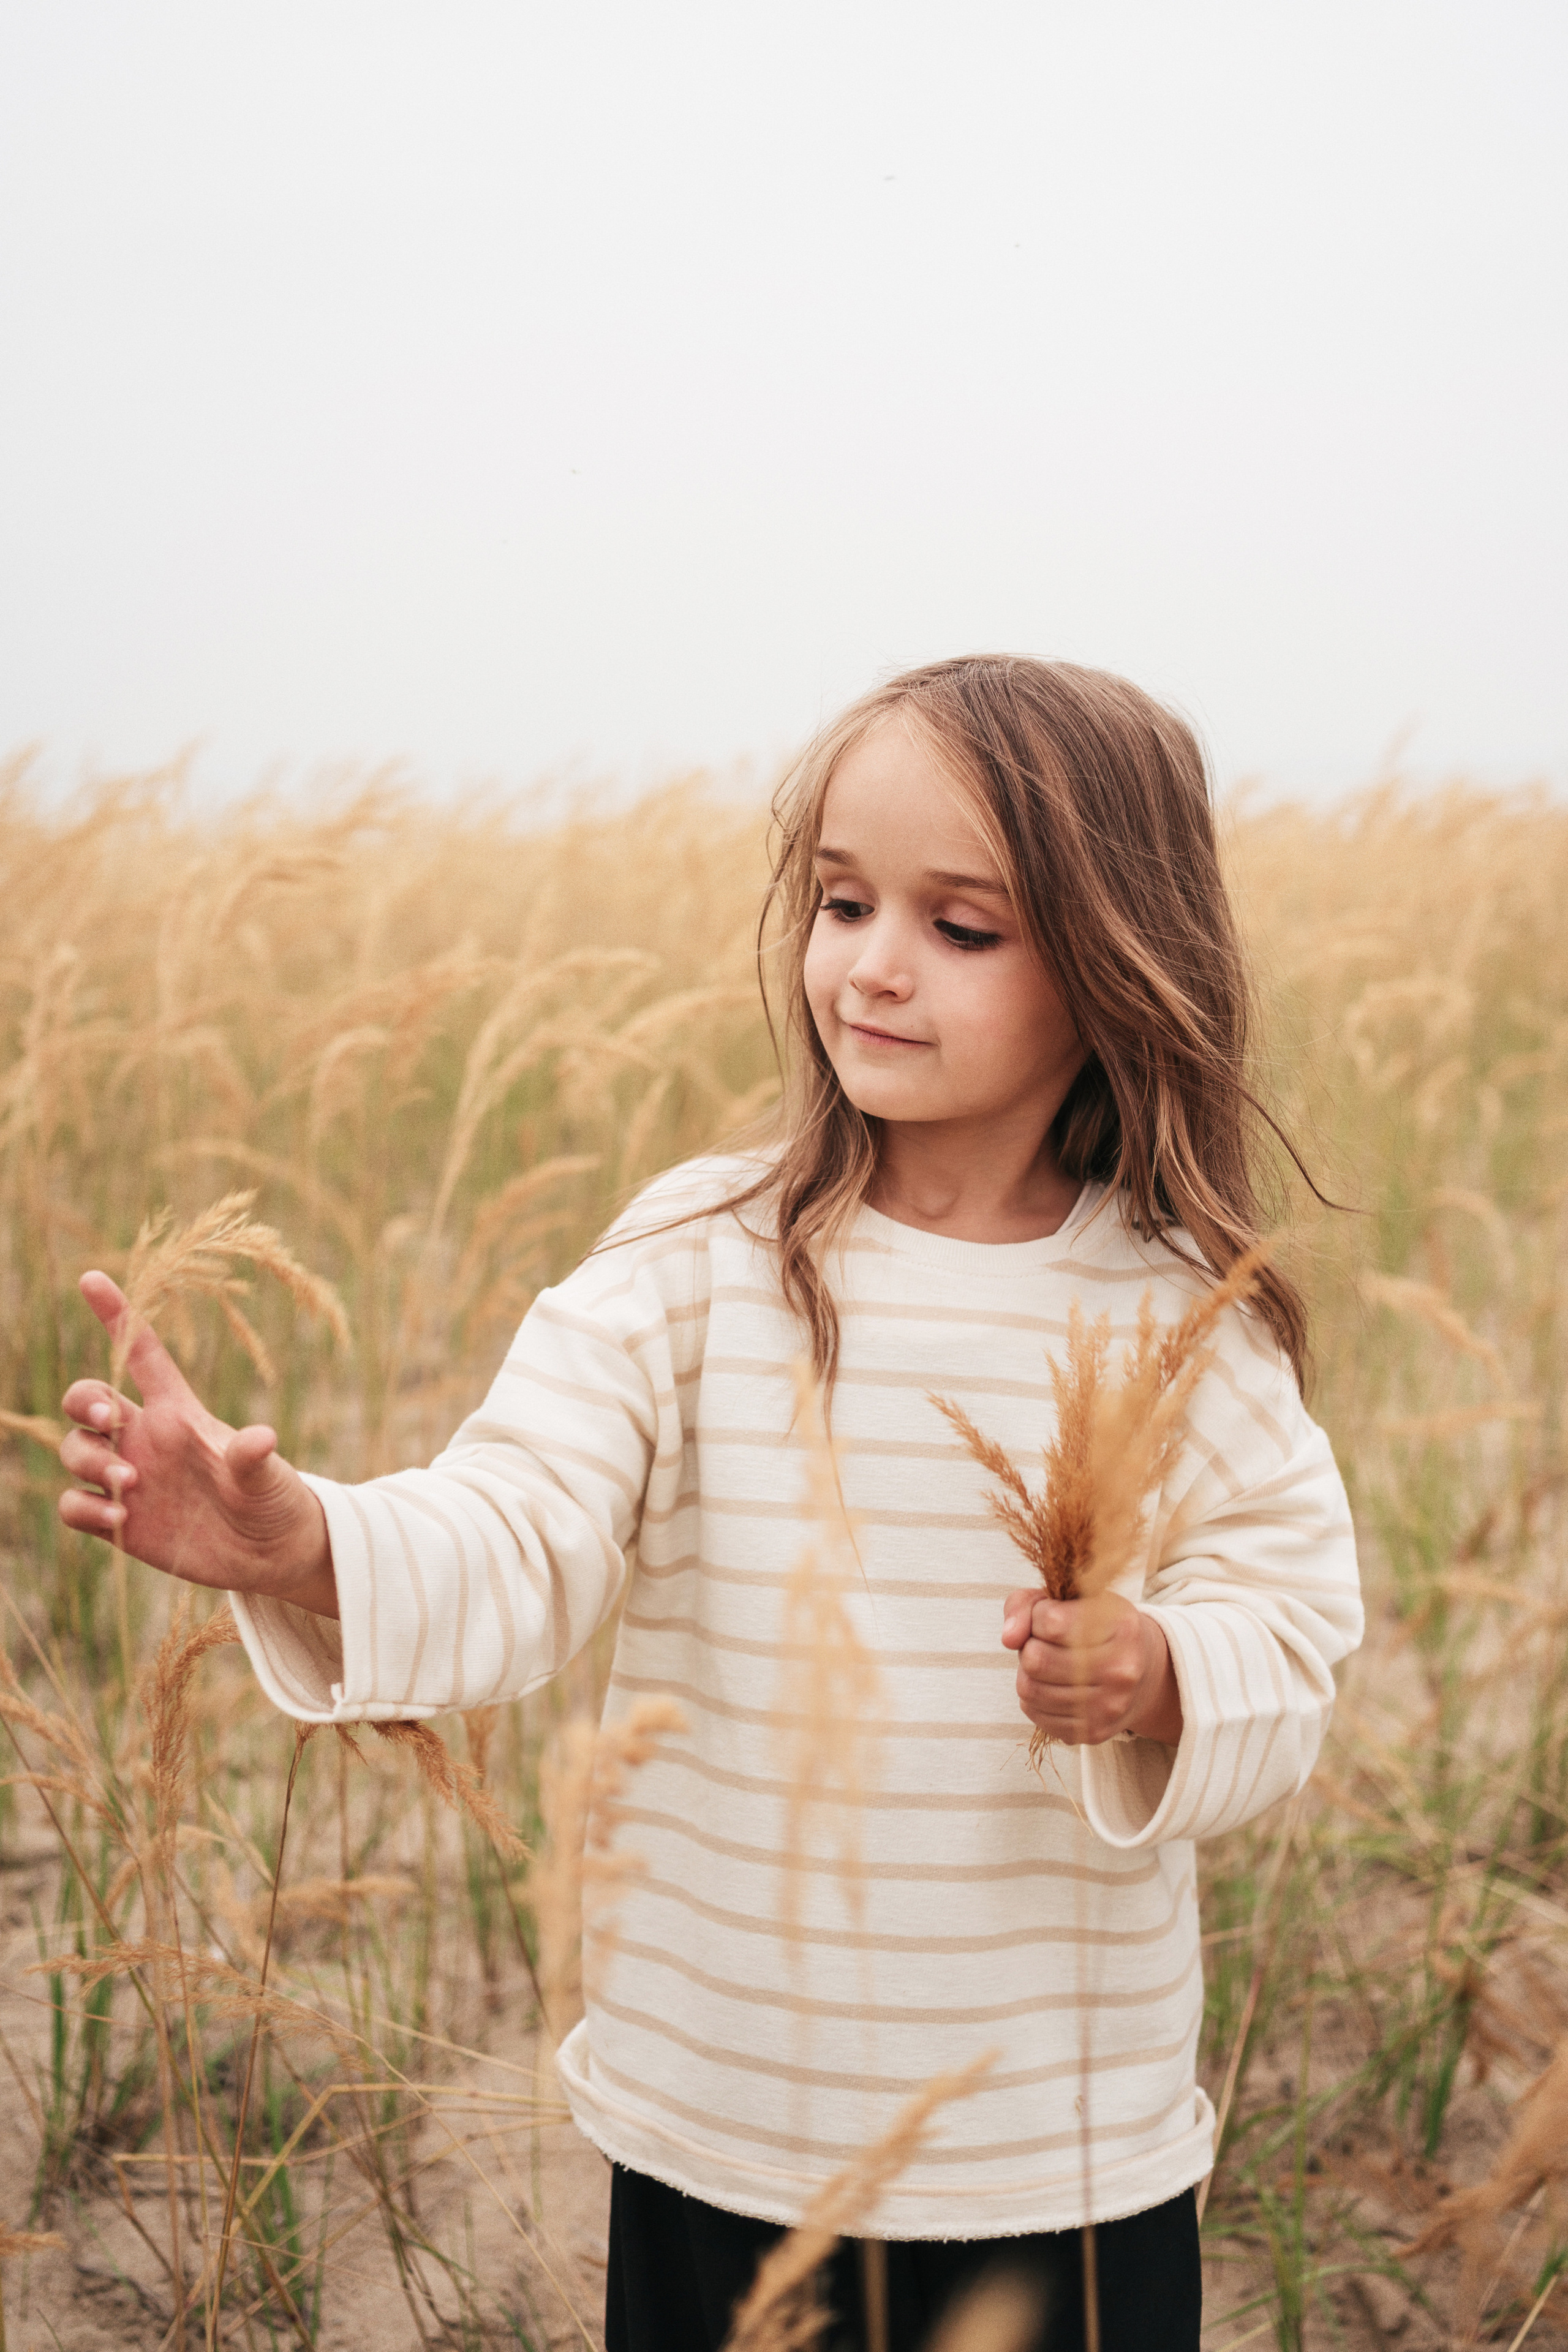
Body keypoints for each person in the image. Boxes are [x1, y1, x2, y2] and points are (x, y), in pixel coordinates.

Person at [57, 657, 1362, 2352]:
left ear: (1115, 963)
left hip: (1053, 2144)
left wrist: (1165, 1676)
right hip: (723, 2115)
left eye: (961, 928)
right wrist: (306, 1542)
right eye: (840, 901)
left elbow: (1294, 1623)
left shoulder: (1179, 1314)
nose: (873, 965)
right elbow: (520, 1529)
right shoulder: (702, 1258)